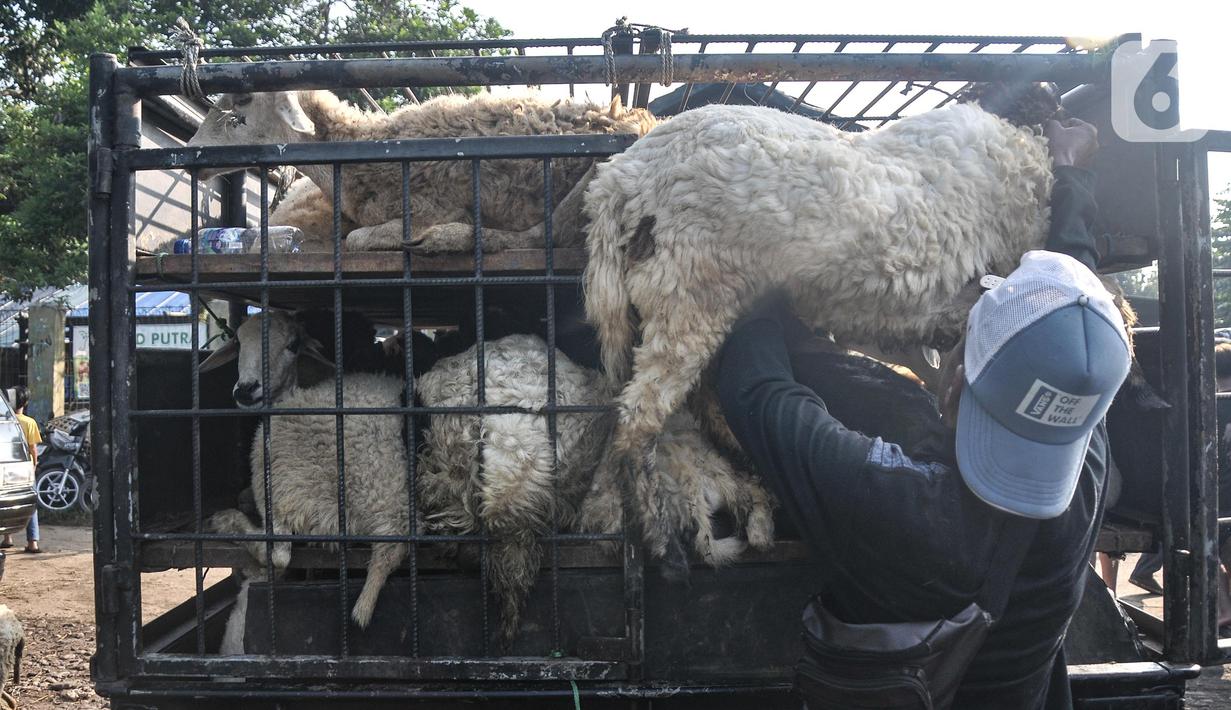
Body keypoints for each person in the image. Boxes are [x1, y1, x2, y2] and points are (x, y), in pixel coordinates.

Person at [716, 117, 1128, 708]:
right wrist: (1072, 180)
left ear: (955, 378)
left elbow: (758, 391)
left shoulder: (895, 502)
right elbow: (1073, 329)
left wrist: (761, 268)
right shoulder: (1081, 460)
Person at [1, 386, 41, 554]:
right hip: (25, 468)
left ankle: (7, 538)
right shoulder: (29, 422)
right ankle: (33, 542)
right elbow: (33, 448)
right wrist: (34, 464)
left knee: (9, 499)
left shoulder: (5, 421)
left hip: (7, 467)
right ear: (25, 402)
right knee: (29, 503)